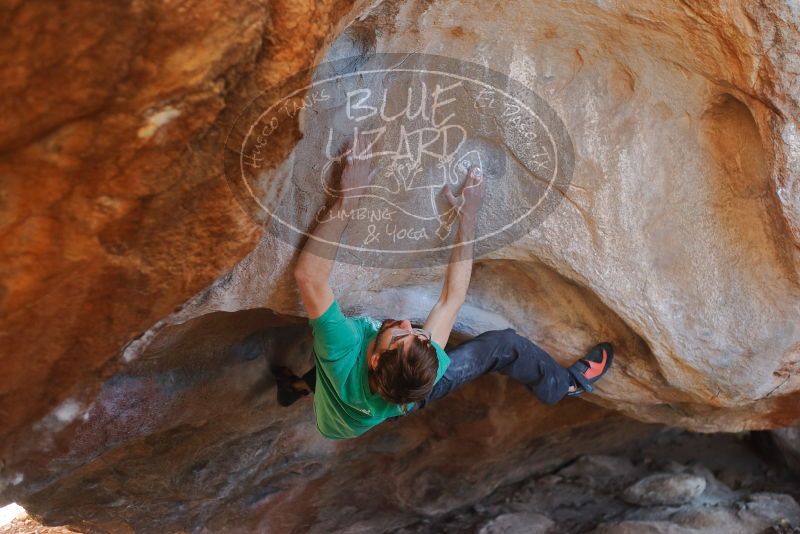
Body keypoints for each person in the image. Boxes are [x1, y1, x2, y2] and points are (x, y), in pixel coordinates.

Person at [275, 133, 614, 440]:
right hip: (364, 405)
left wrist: (348, 199)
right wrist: (468, 220)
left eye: (406, 335)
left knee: (332, 359)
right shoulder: (422, 366)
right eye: (416, 335)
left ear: (376, 360)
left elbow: (309, 276)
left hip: (345, 403)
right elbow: (451, 300)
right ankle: (561, 385)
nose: (407, 324)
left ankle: (298, 387)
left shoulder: (343, 350)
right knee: (502, 345)